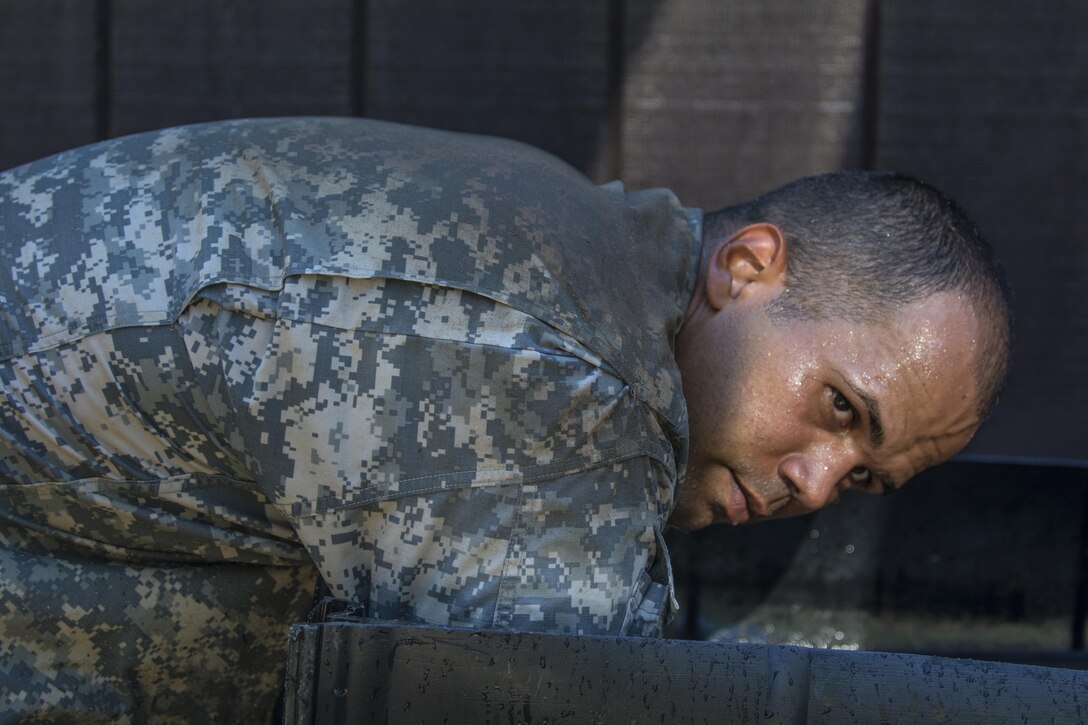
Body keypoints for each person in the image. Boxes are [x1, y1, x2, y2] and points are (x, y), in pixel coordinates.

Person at [0, 118, 1010, 722]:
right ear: (746, 266)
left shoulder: (596, 272)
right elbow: (541, 695)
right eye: (839, 407)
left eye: (864, 478)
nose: (818, 484)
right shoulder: (539, 362)